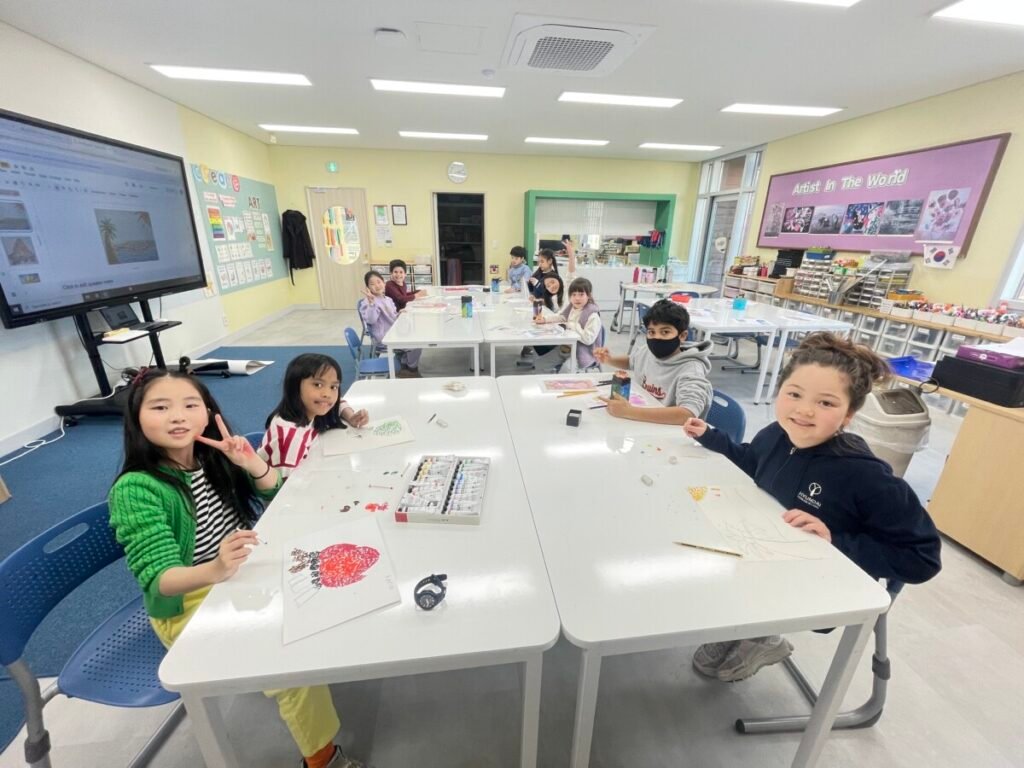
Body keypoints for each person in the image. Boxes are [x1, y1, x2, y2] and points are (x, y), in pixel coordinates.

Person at [108, 370, 369, 768]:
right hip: (190, 600)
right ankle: (323, 759)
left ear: (208, 413)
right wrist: (215, 569)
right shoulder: (136, 488)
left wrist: (251, 463)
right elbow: (159, 579)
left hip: (243, 574)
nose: (177, 416)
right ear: (137, 418)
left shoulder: (212, 457)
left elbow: (280, 495)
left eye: (190, 405)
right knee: (290, 666)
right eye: (160, 408)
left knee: (336, 575)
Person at [683, 332, 942, 683]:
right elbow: (754, 462)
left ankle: (763, 637)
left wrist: (836, 540)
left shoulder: (865, 475)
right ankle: (746, 625)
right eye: (794, 394)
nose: (804, 410)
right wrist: (711, 437)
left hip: (821, 581)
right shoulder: (776, 434)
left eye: (826, 403)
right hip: (768, 554)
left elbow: (923, 557)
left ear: (849, 414)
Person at [593, 299, 712, 425]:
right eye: (651, 332)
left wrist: (628, 411)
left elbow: (688, 414)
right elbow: (632, 361)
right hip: (643, 421)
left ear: (682, 336)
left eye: (665, 332)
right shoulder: (648, 351)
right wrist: (610, 360)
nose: (657, 337)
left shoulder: (691, 369)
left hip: (671, 431)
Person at [260, 353, 369, 478]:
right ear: (295, 386)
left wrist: (351, 416)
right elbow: (284, 485)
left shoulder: (310, 407)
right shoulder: (290, 439)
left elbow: (337, 403)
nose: (327, 394)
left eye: (333, 387)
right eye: (318, 385)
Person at [359, 270, 421, 378]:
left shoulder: (388, 299)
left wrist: (399, 313)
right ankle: (411, 370)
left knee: (416, 333)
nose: (377, 286)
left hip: (393, 331)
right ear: (368, 288)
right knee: (417, 344)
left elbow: (392, 316)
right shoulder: (368, 302)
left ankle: (404, 364)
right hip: (384, 337)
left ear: (384, 283)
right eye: (372, 284)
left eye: (379, 282)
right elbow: (371, 320)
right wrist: (372, 304)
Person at [534, 276, 603, 373]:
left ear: (589, 295)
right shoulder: (572, 306)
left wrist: (573, 325)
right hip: (566, 348)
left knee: (566, 370)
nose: (577, 298)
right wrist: (545, 319)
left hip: (582, 353)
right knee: (539, 364)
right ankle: (552, 380)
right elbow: (562, 317)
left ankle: (559, 381)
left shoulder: (593, 316)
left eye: (581, 294)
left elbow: (588, 339)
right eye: (573, 295)